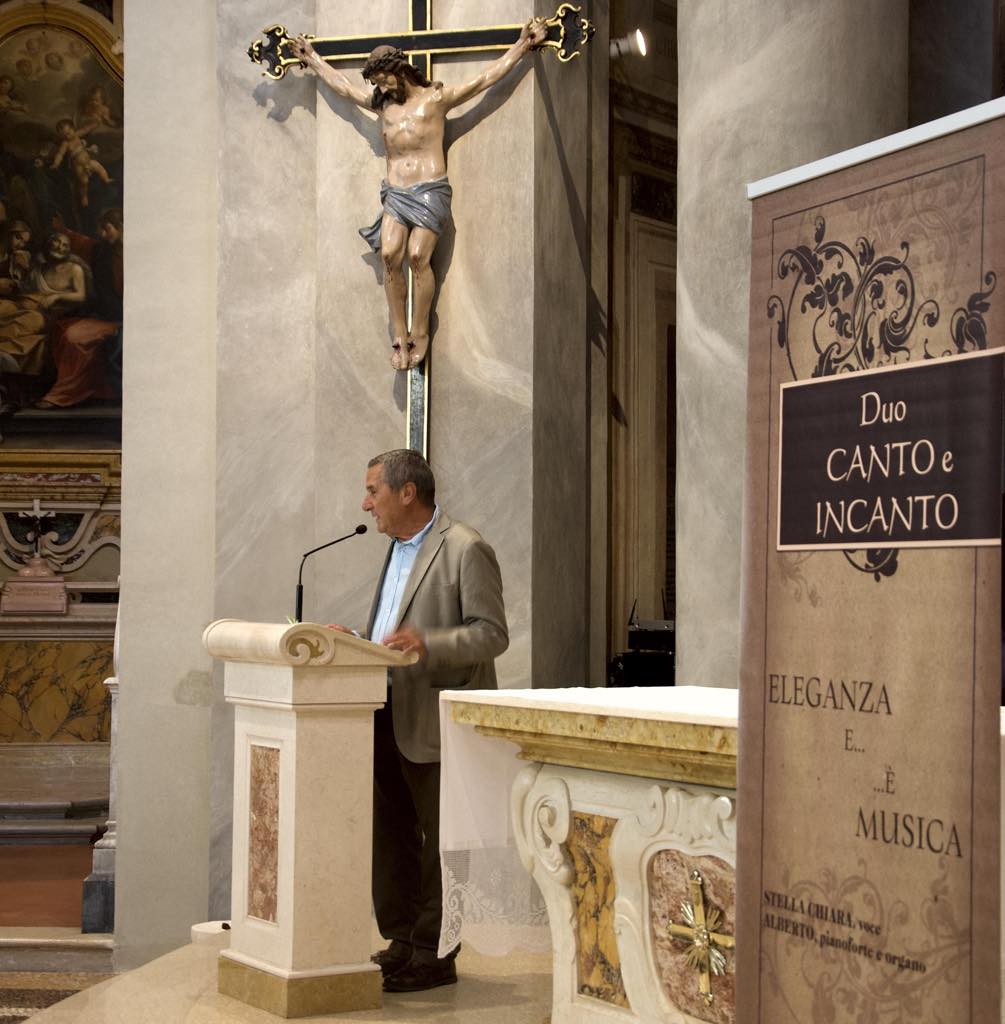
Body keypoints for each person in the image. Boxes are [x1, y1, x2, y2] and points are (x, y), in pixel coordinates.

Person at [329, 449, 508, 992]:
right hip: (382, 710)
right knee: (392, 834)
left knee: (441, 843)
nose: (366, 504)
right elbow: (392, 633)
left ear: (407, 492)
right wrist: (358, 643)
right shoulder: (395, 550)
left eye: (373, 491)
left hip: (435, 718)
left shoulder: (465, 547)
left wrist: (427, 643)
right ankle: (403, 939)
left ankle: (436, 951)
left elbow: (491, 634)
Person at [289, 19, 548, 370]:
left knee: (416, 256)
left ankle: (420, 330)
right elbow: (345, 89)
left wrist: (522, 46)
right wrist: (313, 58)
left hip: (429, 190)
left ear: (399, 70)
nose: (380, 87)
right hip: (396, 192)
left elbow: (484, 79)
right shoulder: (382, 105)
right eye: (376, 83)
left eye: (384, 79)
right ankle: (399, 331)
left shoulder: (436, 99)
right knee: (389, 254)